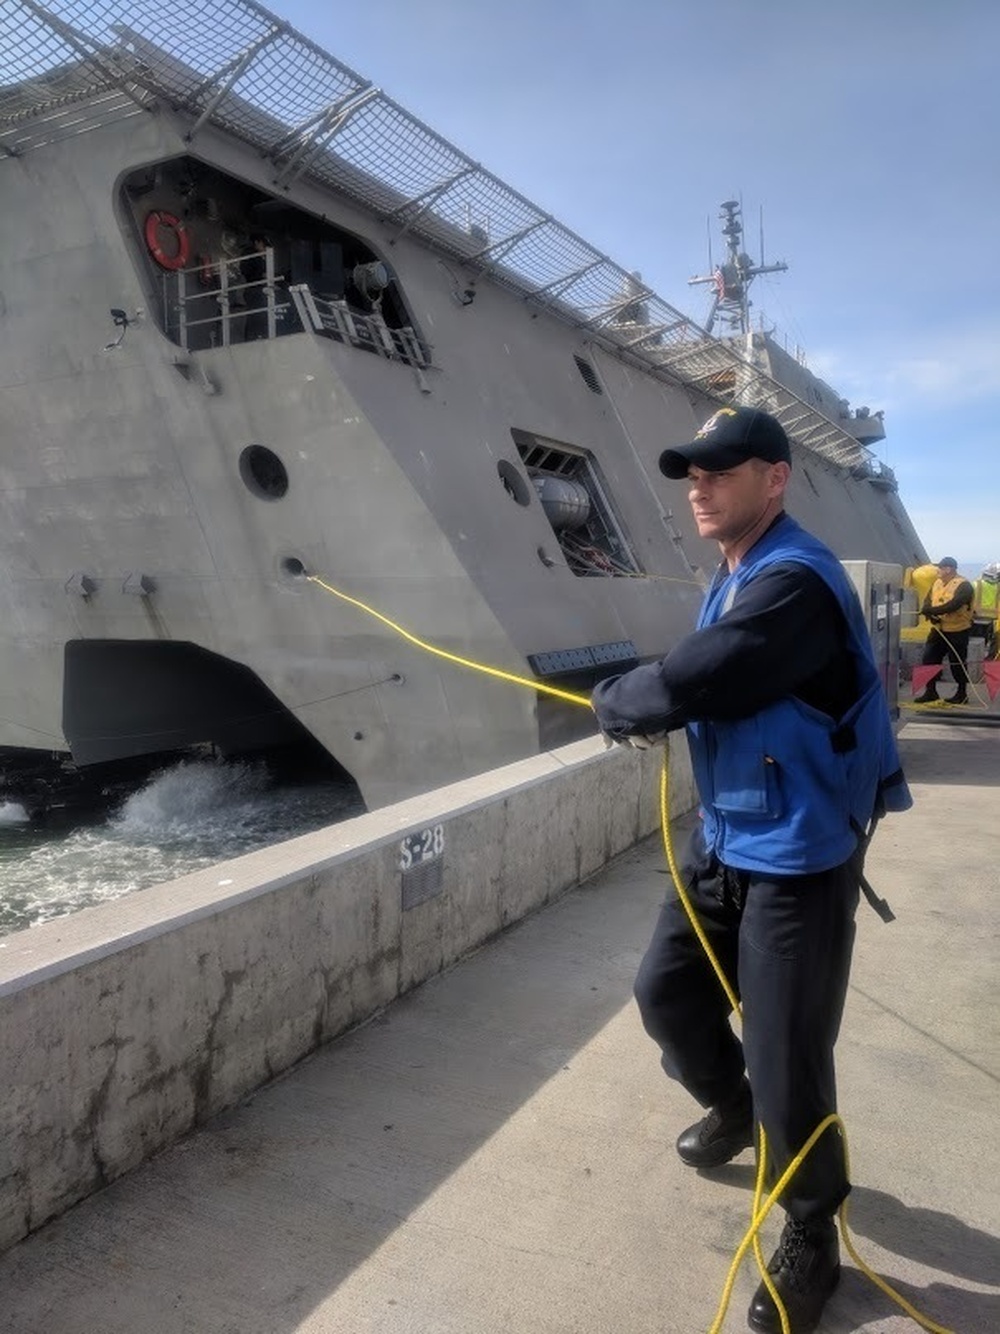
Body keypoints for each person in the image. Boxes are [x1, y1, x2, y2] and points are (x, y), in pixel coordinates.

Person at [590, 405, 911, 1334]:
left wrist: (613, 699)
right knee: (668, 996)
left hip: (801, 856)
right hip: (730, 837)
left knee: (788, 1054)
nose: (700, 484)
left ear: (775, 479)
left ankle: (811, 1234)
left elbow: (699, 679)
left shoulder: (794, 582)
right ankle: (733, 1108)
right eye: (692, 471)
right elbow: (703, 667)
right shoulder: (735, 573)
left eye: (722, 470)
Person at [913, 557, 975, 704]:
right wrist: (930, 613)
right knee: (929, 659)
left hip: (958, 630)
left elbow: (955, 604)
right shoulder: (937, 583)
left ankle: (961, 694)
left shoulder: (964, 585)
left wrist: (932, 610)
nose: (938, 571)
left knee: (957, 662)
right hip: (939, 629)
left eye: (940, 568)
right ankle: (930, 692)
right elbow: (928, 600)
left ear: (949, 569)